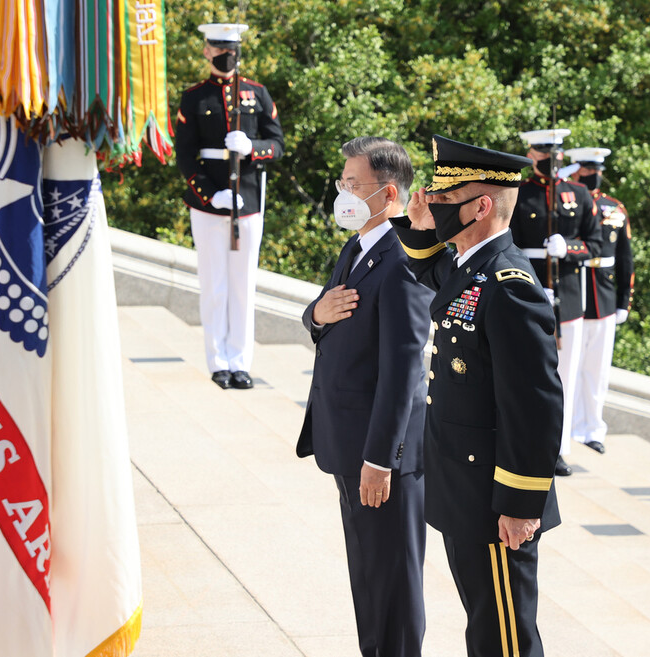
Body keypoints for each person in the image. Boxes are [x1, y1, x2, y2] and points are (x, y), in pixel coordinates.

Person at [391, 134, 564, 657]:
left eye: (444, 200)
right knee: (483, 624)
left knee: (504, 637)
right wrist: (421, 226)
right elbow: (432, 271)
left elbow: (535, 405)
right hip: (465, 489)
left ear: (481, 205)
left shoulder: (510, 283)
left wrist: (519, 503)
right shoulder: (474, 266)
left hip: (497, 504)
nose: (434, 205)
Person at [296, 137, 434, 657]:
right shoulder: (358, 245)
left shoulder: (403, 260)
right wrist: (315, 314)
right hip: (348, 443)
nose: (344, 194)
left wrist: (380, 458)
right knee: (369, 577)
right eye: (343, 184)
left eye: (354, 185)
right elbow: (330, 313)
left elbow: (404, 369)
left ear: (388, 193)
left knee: (393, 584)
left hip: (381, 457)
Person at [174, 22, 284, 390]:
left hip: (249, 201)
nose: (226, 54)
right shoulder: (194, 97)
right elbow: (185, 157)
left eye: (231, 47)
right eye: (218, 47)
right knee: (214, 284)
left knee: (243, 285)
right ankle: (217, 360)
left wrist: (252, 147)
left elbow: (278, 143)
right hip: (209, 204)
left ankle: (240, 362)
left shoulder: (257, 93)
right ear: (207, 50)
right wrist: (210, 194)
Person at [511, 129, 602, 476]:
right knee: (523, 373)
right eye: (542, 151)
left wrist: (571, 249)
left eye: (554, 151)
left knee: (563, 377)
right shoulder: (520, 194)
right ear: (532, 154)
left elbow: (595, 243)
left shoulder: (578, 194)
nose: (550, 157)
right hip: (528, 293)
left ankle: (556, 450)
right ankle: (522, 443)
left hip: (569, 299)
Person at [564, 146, 635, 454]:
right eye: (587, 168)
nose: (593, 174)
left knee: (597, 369)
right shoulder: (569, 203)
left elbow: (625, 258)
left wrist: (623, 301)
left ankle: (592, 428)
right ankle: (564, 431)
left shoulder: (614, 207)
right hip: (573, 291)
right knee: (566, 369)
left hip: (603, 295)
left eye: (596, 169)